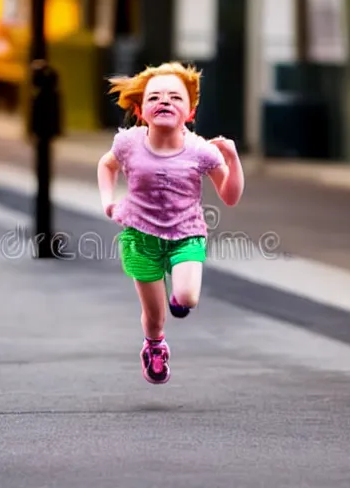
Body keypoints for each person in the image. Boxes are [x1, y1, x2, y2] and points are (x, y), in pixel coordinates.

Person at [97, 61, 244, 385]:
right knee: (154, 316)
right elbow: (106, 166)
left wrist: (232, 159)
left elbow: (229, 196)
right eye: (155, 98)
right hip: (139, 236)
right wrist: (108, 200)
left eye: (175, 98)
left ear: (190, 112)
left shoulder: (201, 151)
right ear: (140, 110)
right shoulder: (128, 144)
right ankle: (154, 346)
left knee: (188, 297)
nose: (165, 102)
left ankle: (179, 295)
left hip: (186, 233)